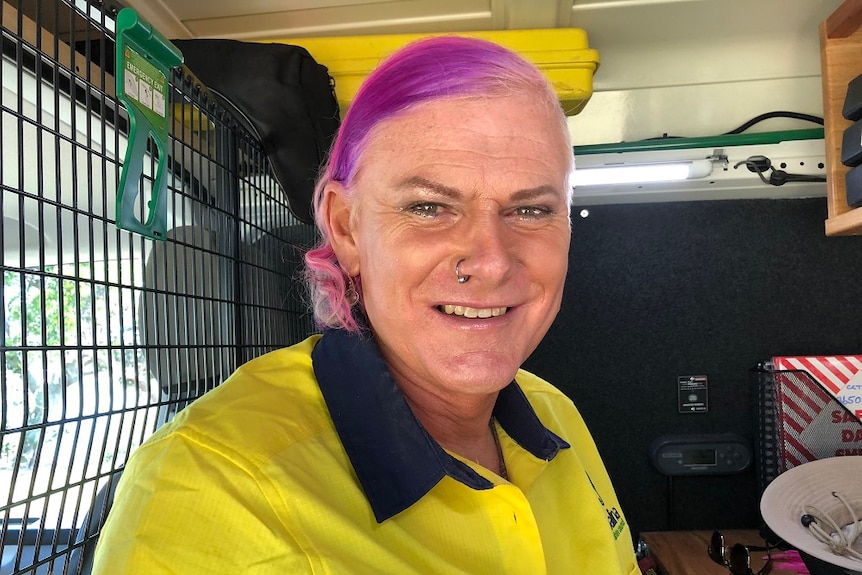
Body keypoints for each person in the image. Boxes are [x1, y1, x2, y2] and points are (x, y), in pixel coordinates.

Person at [93, 35, 639, 575]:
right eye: (429, 206)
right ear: (346, 228)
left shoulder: (554, 414)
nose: (492, 262)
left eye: (532, 211)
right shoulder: (211, 484)